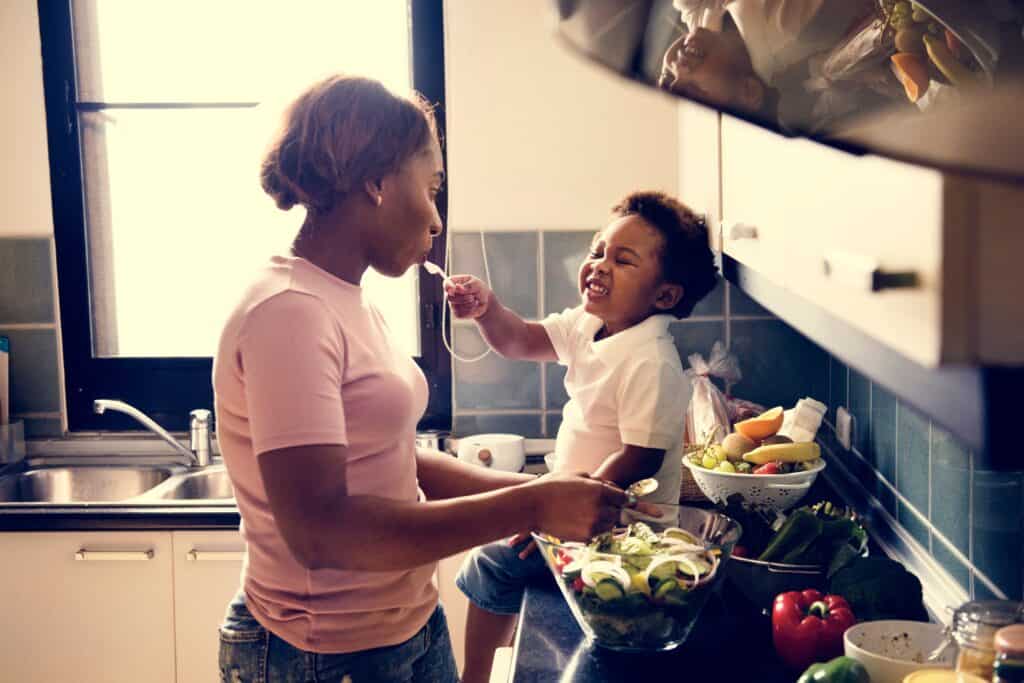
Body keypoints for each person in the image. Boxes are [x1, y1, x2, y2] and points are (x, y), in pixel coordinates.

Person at [212, 74, 637, 683]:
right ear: (377, 182)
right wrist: (532, 503)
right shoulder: (287, 311)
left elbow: (393, 461)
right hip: (320, 653)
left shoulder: (348, 301)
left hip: (405, 625)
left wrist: (534, 491)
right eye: (431, 186)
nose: (435, 219)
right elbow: (321, 531)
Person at [444, 190, 719, 683]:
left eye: (623, 259)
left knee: (490, 562)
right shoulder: (592, 324)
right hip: (571, 506)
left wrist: (560, 507)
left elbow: (640, 457)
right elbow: (520, 339)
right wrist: (488, 309)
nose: (599, 265)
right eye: (598, 251)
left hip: (619, 528)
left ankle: (474, 678)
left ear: (665, 296)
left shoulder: (651, 360)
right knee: (498, 554)